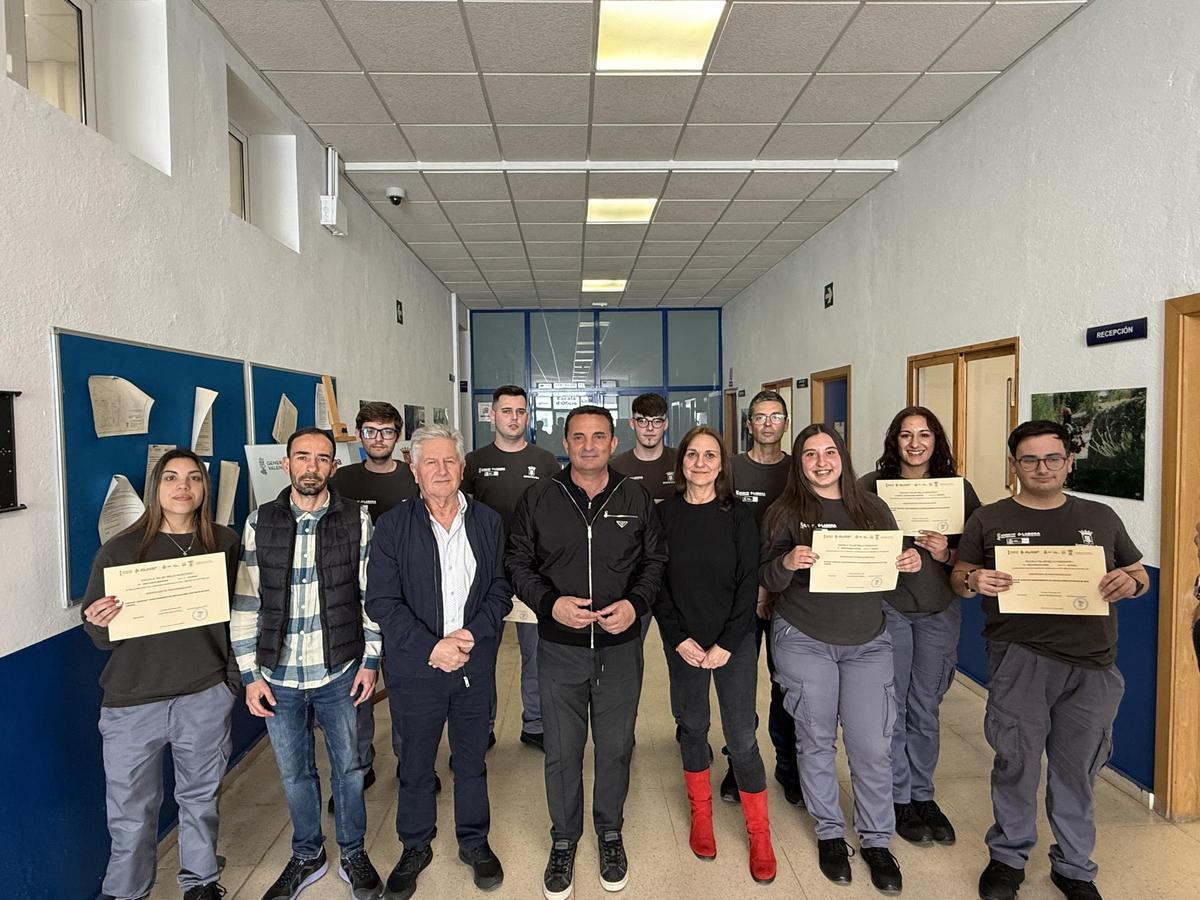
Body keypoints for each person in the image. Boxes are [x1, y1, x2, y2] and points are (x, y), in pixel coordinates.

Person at [951, 420, 1149, 900]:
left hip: (1093, 665)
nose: (1042, 468)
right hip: (1020, 660)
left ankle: (1075, 866)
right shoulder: (989, 519)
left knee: (1077, 769)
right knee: (1015, 762)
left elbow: (1137, 573)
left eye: (1052, 458)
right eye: (1030, 460)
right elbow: (958, 577)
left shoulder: (1100, 517)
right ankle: (1008, 857)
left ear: (1068, 462)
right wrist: (975, 581)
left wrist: (1132, 583)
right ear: (1014, 465)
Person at [507, 404, 667, 900]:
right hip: (560, 649)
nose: (590, 445)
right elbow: (517, 561)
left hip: (620, 648)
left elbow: (655, 560)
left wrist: (637, 605)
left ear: (613, 442)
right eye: (579, 437)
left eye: (599, 436)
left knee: (616, 748)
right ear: (566, 442)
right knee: (561, 750)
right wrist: (550, 605)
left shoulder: (635, 496)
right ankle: (563, 838)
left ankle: (610, 832)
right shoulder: (540, 497)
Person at [763, 424, 921, 893]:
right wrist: (788, 562)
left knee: (872, 746)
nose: (821, 461)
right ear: (799, 462)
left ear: (843, 456)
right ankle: (831, 833)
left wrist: (907, 561)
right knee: (814, 739)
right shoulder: (784, 512)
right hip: (804, 636)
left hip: (867, 641)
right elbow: (767, 577)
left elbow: (893, 565)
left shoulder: (871, 507)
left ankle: (876, 840)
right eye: (809, 454)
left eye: (829, 452)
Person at [231, 428, 384, 900]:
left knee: (350, 769)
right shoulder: (260, 521)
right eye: (303, 457)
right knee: (295, 773)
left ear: (333, 467)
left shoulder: (357, 519)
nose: (312, 467)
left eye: (322, 459)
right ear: (287, 464)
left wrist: (371, 660)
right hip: (278, 676)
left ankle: (353, 850)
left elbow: (369, 596)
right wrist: (249, 674)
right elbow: (246, 601)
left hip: (338, 669)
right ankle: (307, 853)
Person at [82, 449, 240, 900]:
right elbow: (101, 637)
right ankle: (127, 890)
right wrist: (99, 620)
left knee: (200, 798)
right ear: (156, 488)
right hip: (132, 702)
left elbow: (243, 619)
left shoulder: (225, 544)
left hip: (203, 694)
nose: (182, 487)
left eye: (193, 478)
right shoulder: (121, 550)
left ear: (205, 488)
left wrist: (229, 684)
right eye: (171, 477)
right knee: (131, 809)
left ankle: (201, 881)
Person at [366, 426, 512, 899]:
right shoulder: (392, 526)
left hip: (474, 662)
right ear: (414, 469)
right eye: (431, 462)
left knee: (471, 760)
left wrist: (470, 635)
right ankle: (415, 846)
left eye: (450, 461)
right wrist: (432, 647)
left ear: (463, 468)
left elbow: (500, 589)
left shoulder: (488, 522)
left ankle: (474, 842)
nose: (442, 471)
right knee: (415, 762)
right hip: (416, 669)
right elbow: (381, 601)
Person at [656, 426, 776, 883]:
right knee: (692, 726)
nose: (701, 463)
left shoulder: (739, 517)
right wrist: (678, 637)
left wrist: (727, 642)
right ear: (681, 462)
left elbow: (749, 585)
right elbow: (657, 583)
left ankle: (759, 833)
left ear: (722, 464)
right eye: (692, 455)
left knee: (742, 735)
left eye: (710, 455)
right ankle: (702, 818)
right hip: (683, 640)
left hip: (736, 641)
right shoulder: (664, 516)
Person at [859, 407, 981, 846]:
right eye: (906, 435)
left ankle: (922, 793)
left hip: (938, 610)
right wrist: (888, 555)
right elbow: (852, 544)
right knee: (892, 707)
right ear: (894, 440)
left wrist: (946, 553)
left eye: (924, 434)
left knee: (925, 705)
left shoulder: (958, 491)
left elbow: (977, 555)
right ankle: (897, 797)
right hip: (888, 609)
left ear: (936, 441)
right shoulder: (871, 488)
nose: (915, 443)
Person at [330, 400, 420, 805]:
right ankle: (360, 766)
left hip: (407, 600)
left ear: (397, 435)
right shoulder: (341, 480)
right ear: (360, 435)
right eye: (370, 432)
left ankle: (411, 764)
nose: (378, 439)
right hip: (353, 601)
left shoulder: (413, 477)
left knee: (404, 688)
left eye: (386, 431)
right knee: (357, 691)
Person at [463, 385, 560, 751]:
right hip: (484, 573)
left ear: (527, 416)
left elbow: (555, 516)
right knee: (480, 652)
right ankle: (482, 724)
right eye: (506, 411)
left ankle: (534, 723)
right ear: (493, 415)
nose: (514, 418)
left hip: (533, 572)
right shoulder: (472, 462)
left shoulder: (546, 461)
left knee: (535, 653)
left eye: (520, 411)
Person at [723, 389, 802, 807]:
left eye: (776, 416)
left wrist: (773, 587)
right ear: (749, 424)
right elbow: (721, 532)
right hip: (738, 596)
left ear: (785, 423)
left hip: (791, 598)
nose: (768, 423)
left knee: (785, 683)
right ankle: (740, 765)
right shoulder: (731, 470)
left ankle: (789, 767)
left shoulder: (800, 470)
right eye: (759, 417)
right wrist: (753, 589)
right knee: (738, 684)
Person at [611, 392, 677, 502]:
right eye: (642, 421)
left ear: (665, 424)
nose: (650, 428)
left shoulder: (682, 461)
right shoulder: (615, 468)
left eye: (657, 421)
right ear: (632, 423)